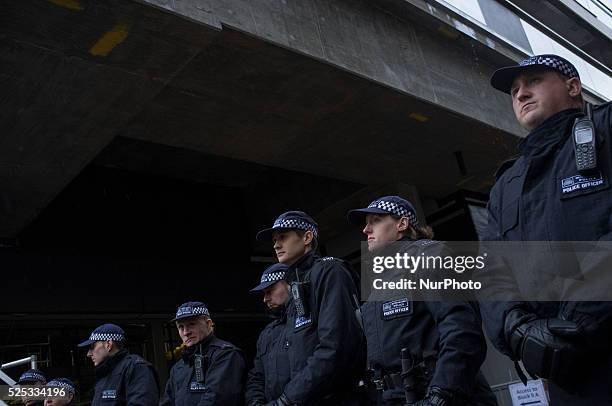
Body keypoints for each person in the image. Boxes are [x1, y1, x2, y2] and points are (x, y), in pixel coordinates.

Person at [481, 54, 612, 403]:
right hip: (565, 379)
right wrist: (518, 330)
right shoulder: (506, 185)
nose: (521, 94)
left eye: (533, 81)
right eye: (514, 91)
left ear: (572, 86)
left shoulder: (607, 128)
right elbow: (492, 271)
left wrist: (576, 321)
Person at [347, 196, 497, 405]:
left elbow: (462, 330)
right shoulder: (381, 281)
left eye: (376, 220)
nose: (366, 229)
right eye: (366, 223)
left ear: (402, 224)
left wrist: (441, 395)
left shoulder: (427, 256)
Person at [255, 210, 366, 405]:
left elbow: (335, 346)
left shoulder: (330, 271)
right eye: (274, 240)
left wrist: (288, 399)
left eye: (283, 237)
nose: (276, 244)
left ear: (307, 237)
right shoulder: (297, 284)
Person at [161, 301, 246, 406]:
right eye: (181, 327)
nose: (186, 332)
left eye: (191, 324)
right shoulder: (179, 366)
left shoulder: (225, 355)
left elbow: (217, 399)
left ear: (209, 324)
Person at [77, 323, 159, 405]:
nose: (88, 354)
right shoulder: (104, 373)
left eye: (92, 347)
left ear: (108, 345)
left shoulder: (137, 368)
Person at [246, 263, 291, 405]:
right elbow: (257, 376)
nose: (265, 299)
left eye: (270, 291)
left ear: (289, 284)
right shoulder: (267, 333)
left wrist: (285, 402)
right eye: (264, 293)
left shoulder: (308, 322)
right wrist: (255, 402)